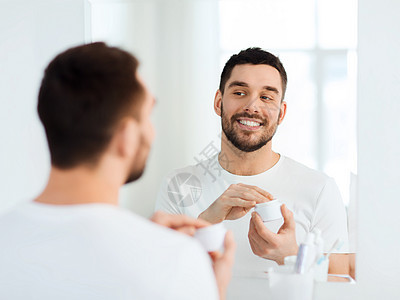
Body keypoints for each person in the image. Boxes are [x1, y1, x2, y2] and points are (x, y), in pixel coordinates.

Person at [0, 42, 235, 300]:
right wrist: (212, 289)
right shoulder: (175, 261)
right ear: (127, 136)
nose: (152, 130)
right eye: (147, 116)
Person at [155, 47, 350, 282]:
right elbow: (159, 275)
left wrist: (290, 256)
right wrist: (205, 222)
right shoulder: (178, 185)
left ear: (281, 113)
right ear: (218, 102)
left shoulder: (320, 188)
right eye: (239, 92)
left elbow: (342, 287)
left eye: (267, 97)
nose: (252, 106)